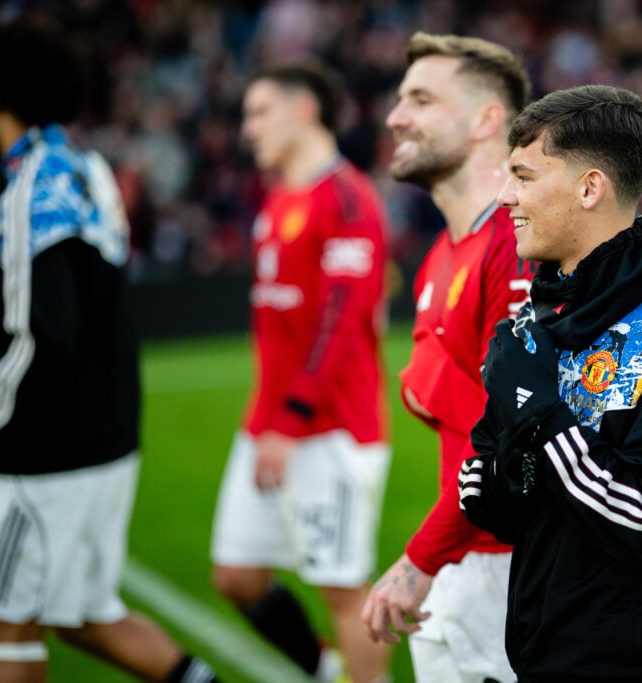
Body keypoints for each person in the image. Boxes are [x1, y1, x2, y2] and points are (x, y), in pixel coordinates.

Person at [0, 17, 220, 683]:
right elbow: (77, 283)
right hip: (108, 433)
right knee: (82, 610)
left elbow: (38, 344)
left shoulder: (26, 194)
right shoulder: (88, 170)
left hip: (44, 450)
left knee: (9, 620)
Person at [458, 83, 642, 683]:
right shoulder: (532, 321)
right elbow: (480, 486)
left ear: (590, 188)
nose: (504, 195)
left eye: (523, 176)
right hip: (535, 659)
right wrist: (523, 468)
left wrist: (540, 418)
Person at [210, 59, 391, 683]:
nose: (247, 128)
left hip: (331, 427)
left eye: (259, 112)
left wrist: (292, 418)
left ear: (304, 110)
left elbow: (342, 322)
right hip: (269, 421)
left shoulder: (347, 197)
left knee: (341, 588)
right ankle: (322, 667)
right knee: (236, 575)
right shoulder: (280, 196)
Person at [361, 33, 534, 683]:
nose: (395, 116)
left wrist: (418, 560)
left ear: (488, 119)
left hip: (516, 563)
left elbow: (514, 435)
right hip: (466, 556)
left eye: (421, 99)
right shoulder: (441, 253)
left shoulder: (514, 245)